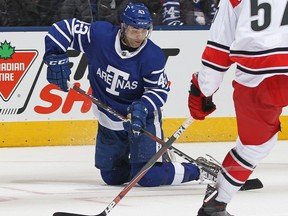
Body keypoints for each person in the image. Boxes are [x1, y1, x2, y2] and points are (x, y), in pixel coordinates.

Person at [43, 2, 217, 187]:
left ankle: (199, 169)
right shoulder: (100, 36)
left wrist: (142, 107)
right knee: (112, 177)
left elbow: (159, 90)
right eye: (134, 30)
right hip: (108, 119)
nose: (139, 36)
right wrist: (54, 56)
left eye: (144, 30)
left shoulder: (153, 55)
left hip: (141, 119)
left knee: (148, 177)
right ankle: (152, 162)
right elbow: (63, 29)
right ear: (123, 26)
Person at [188, 0, 288, 215]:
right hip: (263, 74)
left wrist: (205, 88)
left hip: (255, 76)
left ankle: (216, 204)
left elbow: (219, 46)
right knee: (254, 146)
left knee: (253, 147)